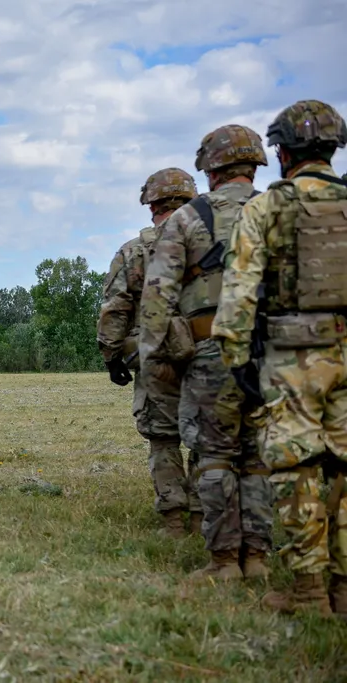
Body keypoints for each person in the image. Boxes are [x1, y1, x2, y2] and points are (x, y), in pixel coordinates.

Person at [214, 99, 347, 616]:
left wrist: (237, 358)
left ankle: (308, 592)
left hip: (294, 359)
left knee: (297, 473)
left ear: (284, 153)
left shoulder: (268, 207)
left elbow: (240, 291)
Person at [141, 126, 273, 580]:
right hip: (273, 352)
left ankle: (223, 561)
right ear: (255, 165)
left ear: (210, 169)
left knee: (215, 456)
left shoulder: (187, 220)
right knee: (257, 458)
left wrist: (157, 360)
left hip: (213, 351)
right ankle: (257, 558)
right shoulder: (278, 209)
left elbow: (156, 299)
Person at [98, 168, 202, 538]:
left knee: (163, 436)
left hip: (155, 354)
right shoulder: (214, 245)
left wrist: (111, 357)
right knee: (207, 437)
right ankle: (203, 517)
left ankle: (174, 520)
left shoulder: (134, 251)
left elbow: (115, 308)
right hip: (209, 352)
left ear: (152, 205)